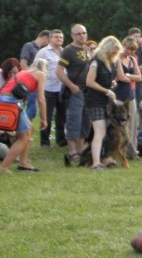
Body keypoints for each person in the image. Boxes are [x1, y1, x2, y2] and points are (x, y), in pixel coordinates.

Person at [0, 58, 47, 173]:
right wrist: (44, 119)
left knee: (30, 128)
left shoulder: (23, 72)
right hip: (12, 102)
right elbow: (41, 99)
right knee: (24, 137)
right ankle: (4, 167)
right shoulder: (40, 74)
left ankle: (23, 162)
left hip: (3, 99)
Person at [55, 23, 92, 165]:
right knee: (73, 121)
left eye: (84, 32)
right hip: (75, 92)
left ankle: (81, 149)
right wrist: (71, 86)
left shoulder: (89, 50)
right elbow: (59, 71)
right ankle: (72, 151)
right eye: (79, 34)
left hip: (88, 91)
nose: (82, 35)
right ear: (72, 36)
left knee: (85, 121)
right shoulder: (68, 51)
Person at [84, 36, 122, 170]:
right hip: (95, 101)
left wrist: (111, 83)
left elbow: (106, 78)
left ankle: (103, 159)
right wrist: (106, 91)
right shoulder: (96, 62)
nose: (114, 53)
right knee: (99, 131)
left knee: (104, 131)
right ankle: (95, 163)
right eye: (113, 50)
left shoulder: (110, 62)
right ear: (107, 48)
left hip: (106, 101)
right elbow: (89, 82)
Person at [34, 29, 66, 148]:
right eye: (56, 37)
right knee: (46, 115)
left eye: (61, 37)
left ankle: (61, 140)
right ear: (50, 38)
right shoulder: (43, 52)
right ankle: (44, 142)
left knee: (62, 116)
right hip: (48, 88)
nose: (59, 39)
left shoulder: (64, 52)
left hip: (62, 88)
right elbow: (36, 69)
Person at [114, 36, 142, 158]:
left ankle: (133, 152)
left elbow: (139, 77)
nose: (130, 52)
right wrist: (130, 76)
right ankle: (121, 152)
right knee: (119, 125)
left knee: (133, 125)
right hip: (118, 95)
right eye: (128, 49)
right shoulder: (117, 58)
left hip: (130, 96)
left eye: (133, 50)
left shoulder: (132, 59)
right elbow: (121, 77)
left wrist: (128, 75)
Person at [19, 30, 50, 120]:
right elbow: (23, 64)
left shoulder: (42, 50)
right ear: (45, 38)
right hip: (30, 82)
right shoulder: (29, 46)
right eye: (49, 40)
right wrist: (31, 77)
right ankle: (22, 129)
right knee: (32, 109)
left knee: (34, 109)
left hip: (38, 82)